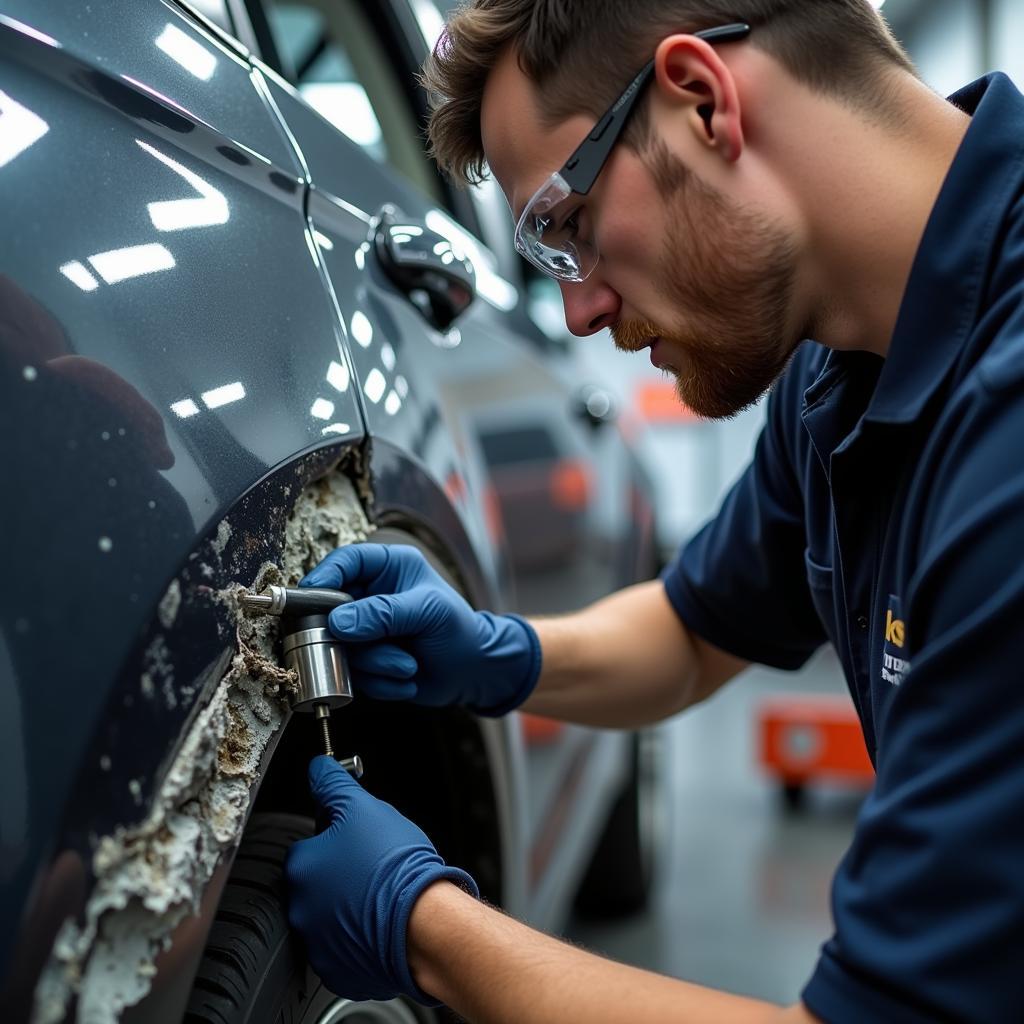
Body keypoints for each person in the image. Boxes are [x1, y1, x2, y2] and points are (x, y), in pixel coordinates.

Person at [285, 1, 1024, 1020]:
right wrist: (502, 654)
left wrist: (427, 932)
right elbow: (691, 631)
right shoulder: (839, 363)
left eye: (564, 226)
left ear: (700, 103)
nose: (580, 308)